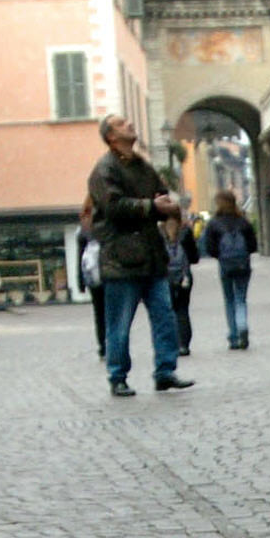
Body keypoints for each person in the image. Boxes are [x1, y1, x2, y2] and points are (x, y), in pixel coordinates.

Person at [86, 115, 193, 399]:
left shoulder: (141, 165)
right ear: (111, 136)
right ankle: (117, 376)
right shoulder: (104, 169)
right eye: (122, 124)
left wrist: (169, 207)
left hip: (151, 256)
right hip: (121, 259)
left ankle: (165, 372)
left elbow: (161, 193)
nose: (130, 125)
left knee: (164, 317)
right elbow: (113, 207)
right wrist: (152, 206)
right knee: (119, 324)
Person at [202, 190, 257, 349]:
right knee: (241, 298)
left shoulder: (214, 223)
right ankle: (243, 327)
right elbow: (253, 245)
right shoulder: (243, 221)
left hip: (225, 265)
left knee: (229, 300)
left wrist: (220, 255)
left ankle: (233, 337)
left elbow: (210, 248)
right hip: (243, 264)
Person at [164, 213, 197, 356]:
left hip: (166, 278)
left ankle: (173, 343)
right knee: (183, 310)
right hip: (184, 277)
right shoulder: (186, 232)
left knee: (169, 311)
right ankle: (184, 344)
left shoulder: (159, 235)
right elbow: (195, 257)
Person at [76, 198, 105, 357]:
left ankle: (102, 346)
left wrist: (80, 282)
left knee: (99, 312)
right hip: (110, 274)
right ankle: (111, 343)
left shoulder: (84, 230)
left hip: (93, 278)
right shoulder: (107, 226)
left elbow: (80, 257)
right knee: (112, 311)